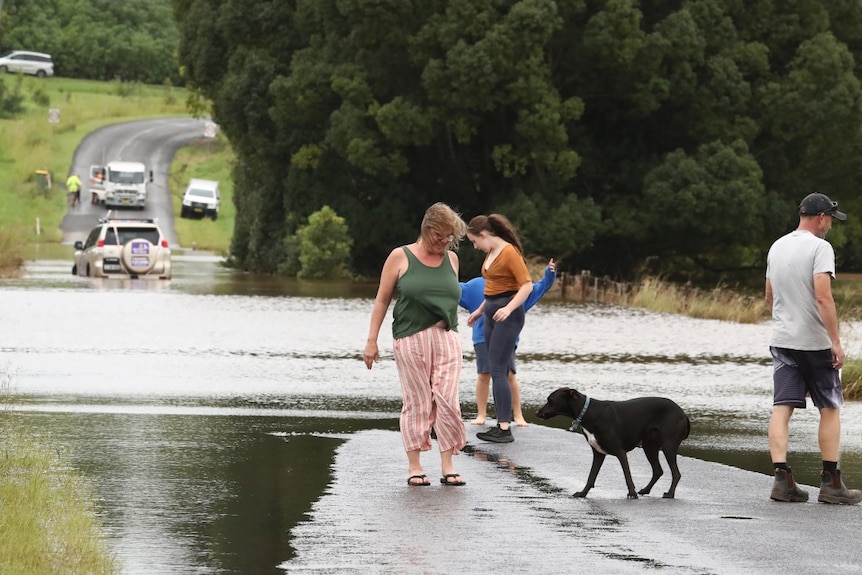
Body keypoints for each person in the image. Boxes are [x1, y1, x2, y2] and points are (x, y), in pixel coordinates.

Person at [765, 192, 861, 505]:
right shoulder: (820, 248)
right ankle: (831, 483)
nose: (831, 224)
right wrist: (835, 341)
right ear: (821, 217)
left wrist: (786, 320)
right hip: (815, 342)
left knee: (782, 406)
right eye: (831, 218)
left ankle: (782, 479)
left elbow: (769, 297)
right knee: (830, 407)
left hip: (782, 340)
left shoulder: (777, 246)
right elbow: (823, 296)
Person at [364, 202, 469, 487]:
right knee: (418, 402)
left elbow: (451, 297)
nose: (445, 241)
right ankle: (415, 466)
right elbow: (382, 300)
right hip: (410, 339)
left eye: (449, 237)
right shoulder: (401, 256)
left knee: (448, 400)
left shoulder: (452, 261)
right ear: (427, 228)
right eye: (440, 235)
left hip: (446, 338)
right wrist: (372, 341)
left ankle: (448, 464)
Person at [459, 258, 556, 426]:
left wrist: (549, 274)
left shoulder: (518, 289)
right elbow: (453, 289)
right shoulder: (476, 285)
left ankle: (518, 415)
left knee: (509, 375)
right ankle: (481, 414)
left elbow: (540, 288)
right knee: (484, 374)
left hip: (507, 338)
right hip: (482, 337)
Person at [466, 214, 533, 443]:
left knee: (497, 369)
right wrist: (479, 310)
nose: (475, 246)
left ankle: (504, 428)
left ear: (484, 235)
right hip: (491, 313)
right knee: (495, 369)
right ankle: (500, 424)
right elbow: (494, 288)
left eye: (475, 241)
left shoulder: (509, 252)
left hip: (509, 315)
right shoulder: (492, 252)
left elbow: (526, 286)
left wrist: (509, 308)